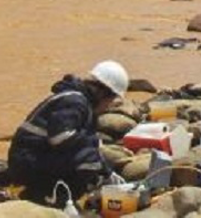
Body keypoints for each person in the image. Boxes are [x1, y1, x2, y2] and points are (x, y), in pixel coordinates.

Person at [8, 60, 129, 204]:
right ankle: (52, 198)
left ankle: (51, 193)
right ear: (102, 93)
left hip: (36, 156)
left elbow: (79, 143)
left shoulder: (81, 102)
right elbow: (60, 138)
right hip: (27, 162)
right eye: (111, 99)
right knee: (87, 159)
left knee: (91, 157)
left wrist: (108, 172)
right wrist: (92, 142)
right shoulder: (74, 102)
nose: (109, 105)